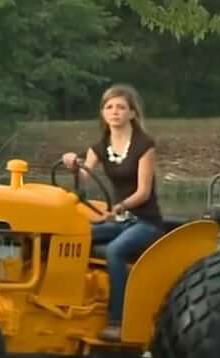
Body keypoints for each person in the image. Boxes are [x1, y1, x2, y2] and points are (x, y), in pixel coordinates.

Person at [62, 84, 164, 342]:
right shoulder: (99, 147)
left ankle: (118, 320)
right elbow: (85, 179)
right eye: (109, 107)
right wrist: (74, 166)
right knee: (76, 237)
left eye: (121, 107)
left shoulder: (144, 145)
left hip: (145, 220)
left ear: (132, 113)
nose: (115, 112)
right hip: (119, 220)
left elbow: (143, 191)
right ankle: (71, 306)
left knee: (116, 250)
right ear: (103, 114)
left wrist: (120, 206)